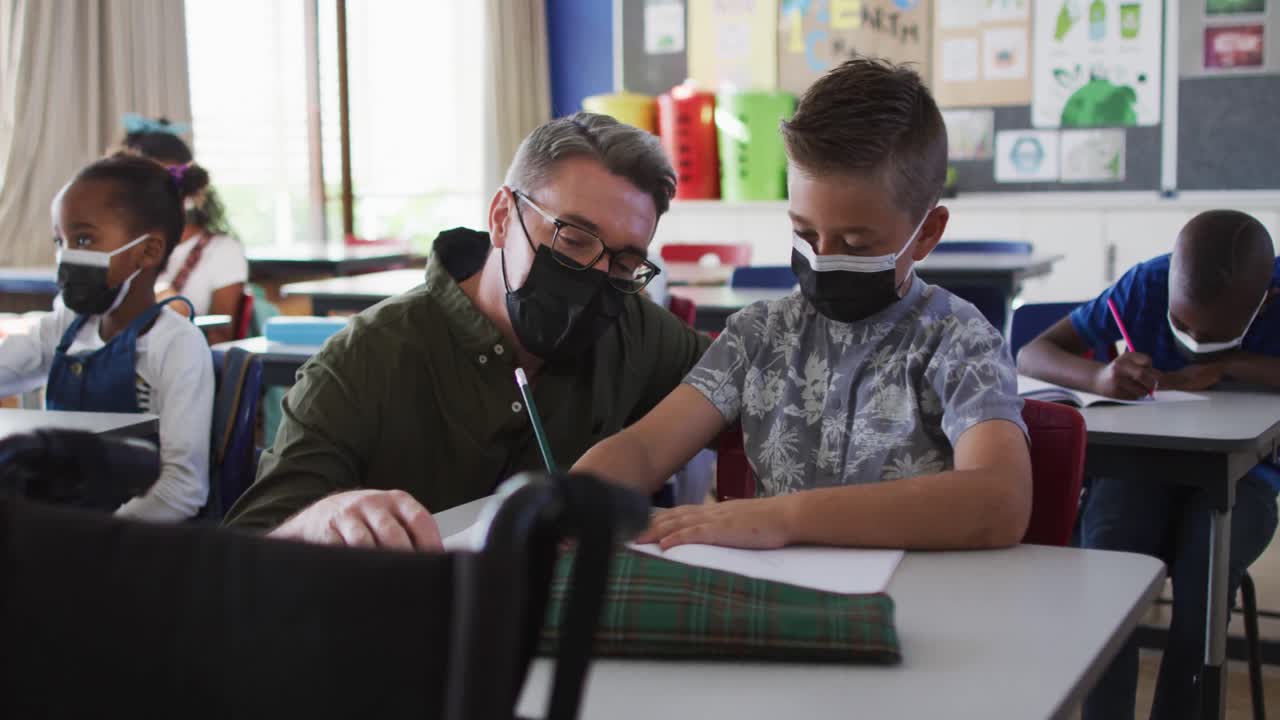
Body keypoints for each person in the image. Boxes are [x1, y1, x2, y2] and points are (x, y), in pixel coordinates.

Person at [571, 57, 1032, 551]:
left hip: (907, 607)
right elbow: (643, 449)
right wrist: (573, 503)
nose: (824, 258)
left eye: (856, 244)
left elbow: (999, 500)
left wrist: (784, 516)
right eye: (804, 232)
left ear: (927, 234)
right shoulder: (758, 336)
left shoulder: (957, 341)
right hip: (778, 604)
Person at [224, 113, 711, 547]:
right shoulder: (364, 360)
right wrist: (324, 519)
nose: (597, 275)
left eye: (625, 262)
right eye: (574, 239)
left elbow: (749, 378)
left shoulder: (632, 329)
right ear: (502, 218)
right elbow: (244, 555)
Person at [1016, 209, 1280, 720]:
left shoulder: (1273, 289)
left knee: (1205, 582)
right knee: (1108, 575)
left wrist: (1225, 366)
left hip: (1242, 480)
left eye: (1215, 333)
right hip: (1139, 469)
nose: (1192, 337)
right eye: (1180, 323)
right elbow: (1033, 353)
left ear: (1264, 300)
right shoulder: (1149, 283)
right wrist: (1100, 378)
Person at [0, 154, 215, 520]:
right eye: (59, 241)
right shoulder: (66, 327)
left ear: (147, 251)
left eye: (83, 239)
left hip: (134, 545)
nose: (66, 256)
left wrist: (102, 538)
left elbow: (183, 486)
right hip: (60, 523)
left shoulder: (176, 344)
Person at [120, 114, 248, 344]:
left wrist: (175, 316)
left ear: (188, 188)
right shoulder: (118, 247)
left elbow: (222, 338)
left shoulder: (222, 251)